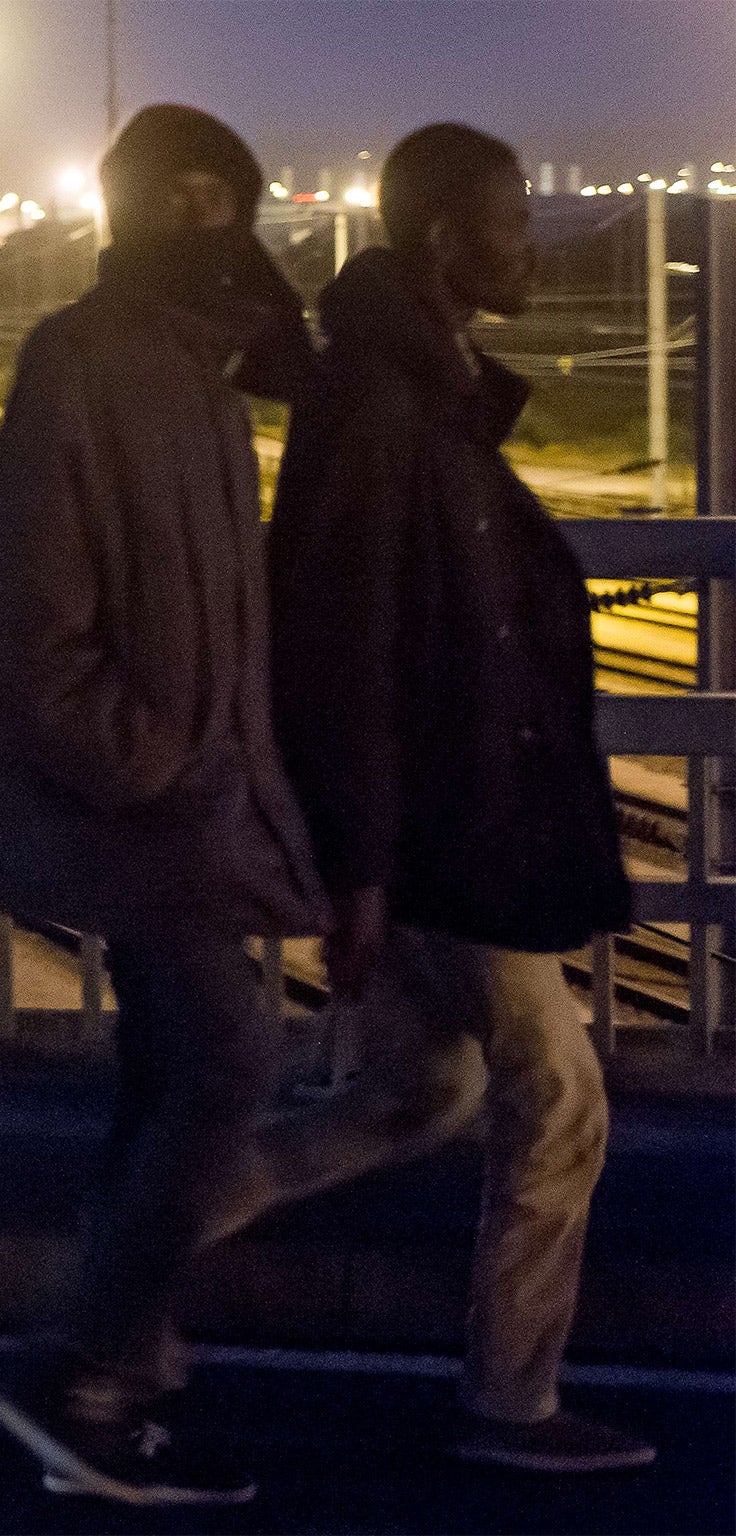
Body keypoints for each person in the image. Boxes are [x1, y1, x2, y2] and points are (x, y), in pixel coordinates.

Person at [243, 122, 654, 1474]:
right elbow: (346, 642)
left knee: (414, 1095)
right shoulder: (381, 401)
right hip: (445, 827)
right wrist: (359, 865)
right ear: (442, 239)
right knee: (558, 1091)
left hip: (452, 817)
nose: (532, 240)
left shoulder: (426, 384)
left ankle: (127, 1246)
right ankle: (512, 1406)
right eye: (514, 217)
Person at [0, 105, 327, 1506]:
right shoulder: (87, 358)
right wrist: (155, 763)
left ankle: (110, 1377)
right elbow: (24, 615)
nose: (248, 231)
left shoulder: (197, 372)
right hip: (142, 808)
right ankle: (78, 1368)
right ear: (171, 202)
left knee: (176, 1067)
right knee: (231, 1051)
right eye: (225, 204)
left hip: (184, 797)